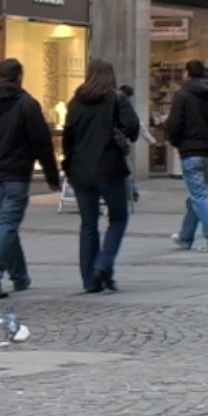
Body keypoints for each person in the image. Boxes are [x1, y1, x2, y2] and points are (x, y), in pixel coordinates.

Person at [0, 58, 61, 299]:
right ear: (19, 76)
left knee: (7, 224)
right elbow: (41, 143)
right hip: (17, 175)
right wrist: (52, 175)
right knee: (8, 225)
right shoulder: (27, 104)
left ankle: (19, 276)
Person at [62, 58, 140, 293]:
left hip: (80, 170)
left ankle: (90, 280)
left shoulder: (75, 102)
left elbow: (68, 138)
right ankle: (103, 263)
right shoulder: (117, 99)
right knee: (118, 218)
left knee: (88, 224)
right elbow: (133, 128)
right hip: (109, 168)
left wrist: (67, 166)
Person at [167, 60, 208, 252]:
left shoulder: (182, 95)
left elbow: (174, 125)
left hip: (190, 152)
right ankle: (186, 237)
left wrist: (178, 143)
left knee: (199, 196)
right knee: (197, 196)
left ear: (187, 73)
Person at [118, 84, 160, 202]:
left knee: (122, 169)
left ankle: (132, 191)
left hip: (117, 142)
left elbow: (137, 124)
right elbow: (138, 124)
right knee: (124, 168)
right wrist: (150, 139)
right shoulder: (127, 107)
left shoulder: (119, 105)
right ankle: (132, 191)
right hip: (122, 141)